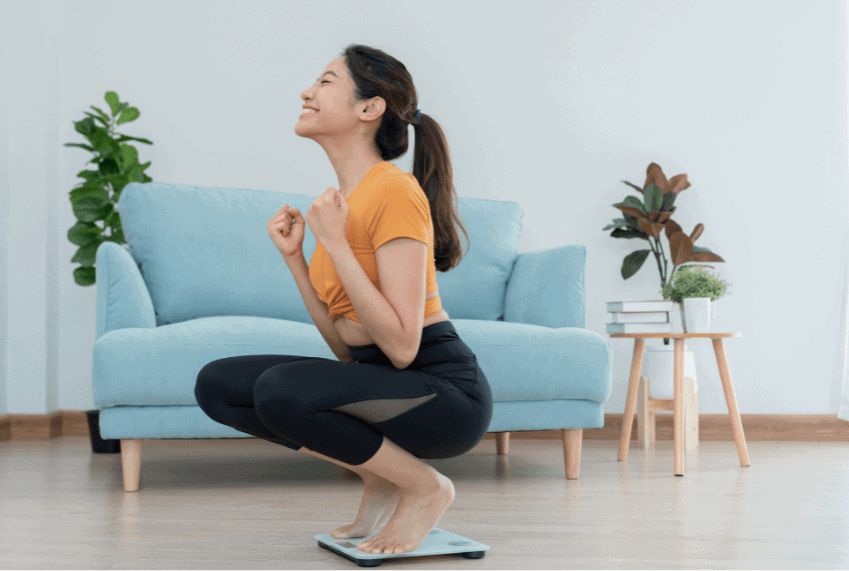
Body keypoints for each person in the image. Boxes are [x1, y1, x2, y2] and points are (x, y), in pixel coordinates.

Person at [194, 44, 492, 556]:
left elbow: (401, 345)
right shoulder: (341, 203)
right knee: (218, 385)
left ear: (368, 108)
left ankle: (424, 488)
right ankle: (378, 476)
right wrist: (296, 259)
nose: (307, 92)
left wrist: (333, 242)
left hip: (444, 394)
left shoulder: (393, 191)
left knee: (280, 389)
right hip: (387, 382)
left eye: (326, 81)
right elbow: (349, 352)